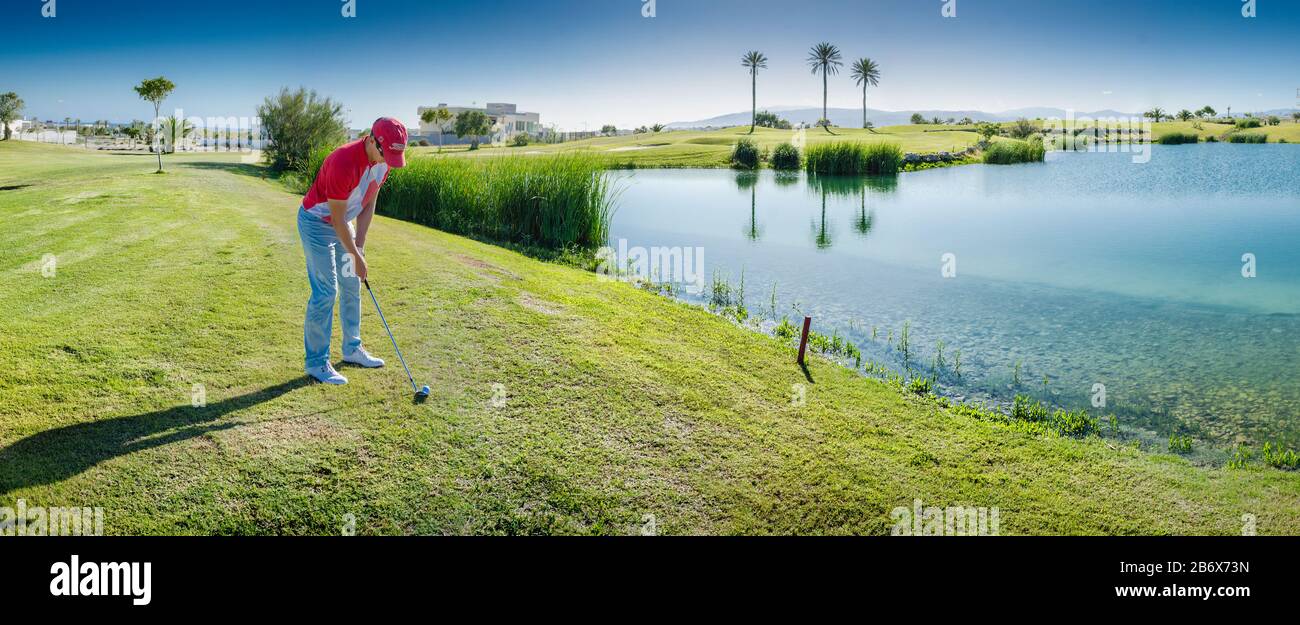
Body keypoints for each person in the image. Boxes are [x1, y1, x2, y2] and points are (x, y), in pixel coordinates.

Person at [297, 117, 408, 384]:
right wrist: (356, 257)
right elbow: (335, 220)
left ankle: (352, 349)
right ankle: (316, 362)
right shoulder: (343, 162)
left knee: (351, 285)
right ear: (372, 140)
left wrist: (360, 243)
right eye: (387, 154)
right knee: (326, 292)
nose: (388, 161)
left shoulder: (384, 163)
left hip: (343, 224)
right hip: (318, 224)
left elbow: (369, 200)